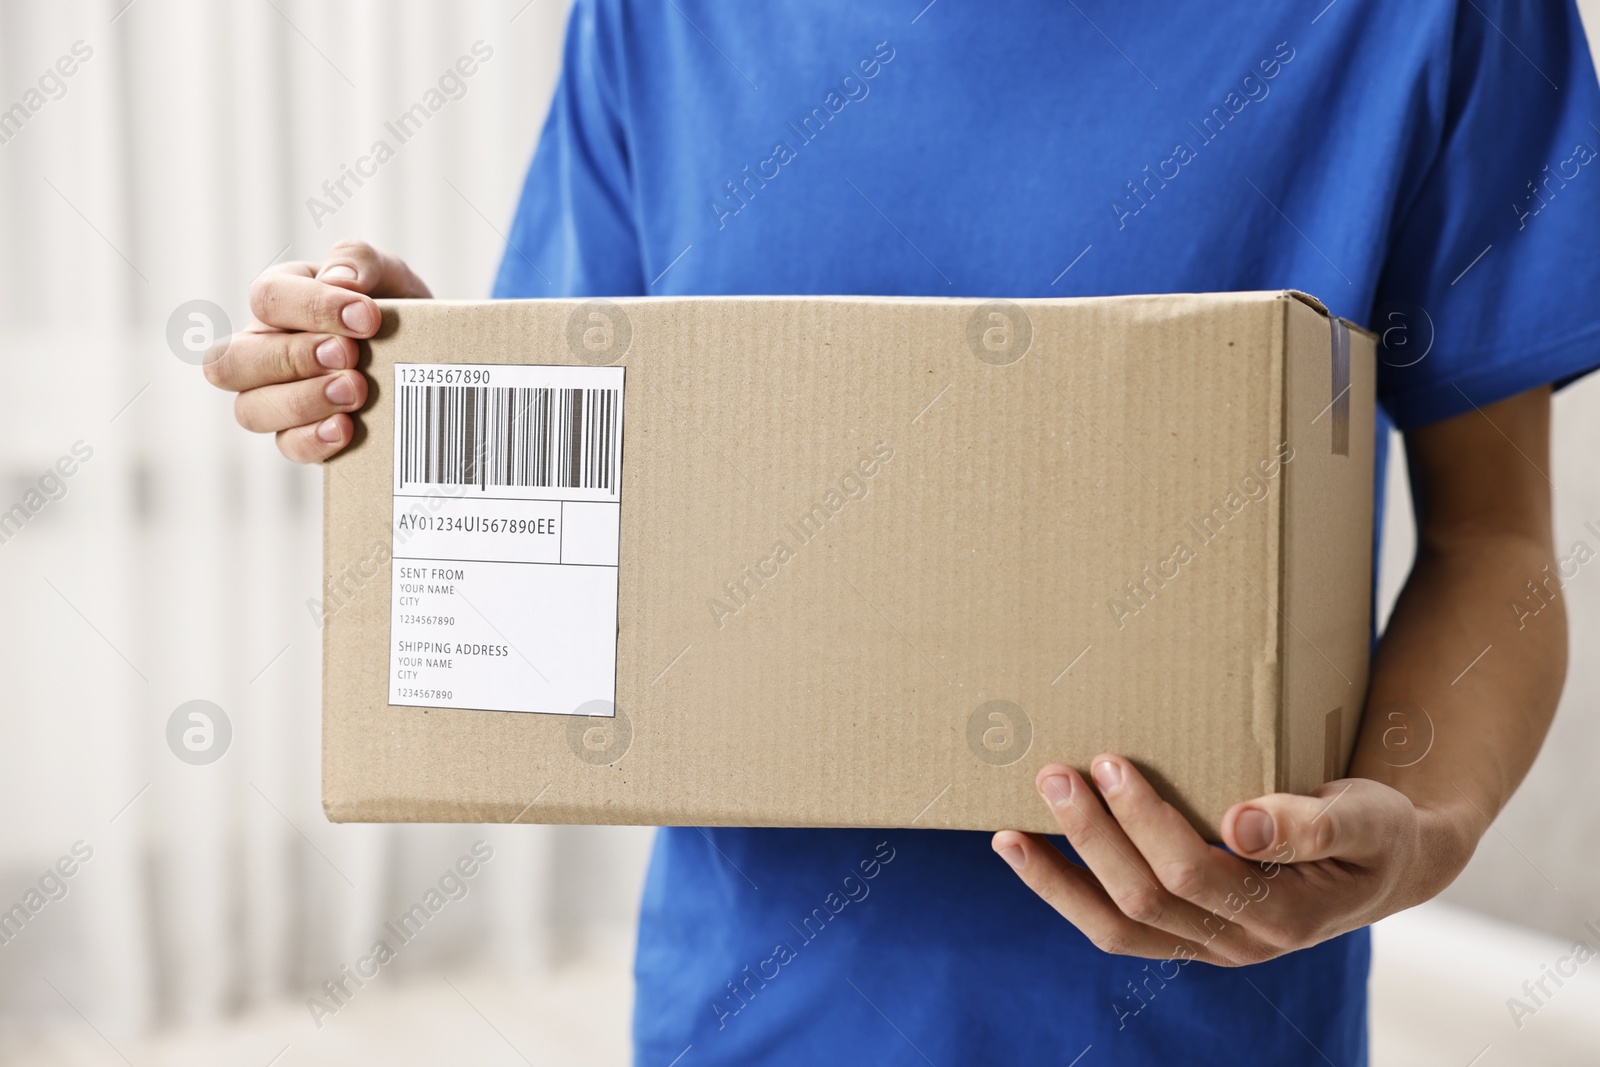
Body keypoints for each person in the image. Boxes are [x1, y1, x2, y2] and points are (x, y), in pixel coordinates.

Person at [204, 2, 1600, 1062]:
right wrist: (397, 375)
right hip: (751, 1008)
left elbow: (1494, 546)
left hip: (1210, 1016)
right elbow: (633, 484)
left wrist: (1423, 831)